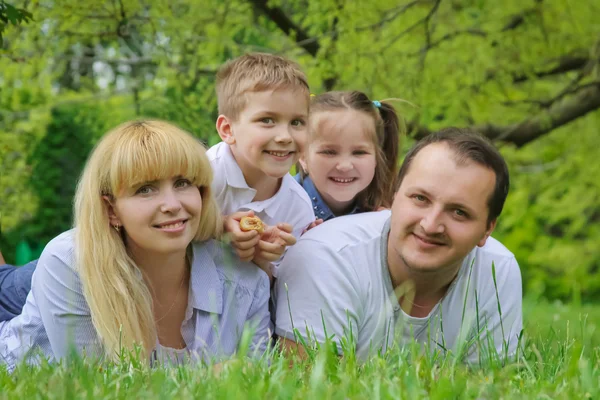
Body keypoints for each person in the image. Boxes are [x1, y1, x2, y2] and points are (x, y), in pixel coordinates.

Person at [0, 120, 271, 372]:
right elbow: (92, 384)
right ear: (111, 209)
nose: (173, 205)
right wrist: (213, 378)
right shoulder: (69, 261)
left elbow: (260, 382)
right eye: (145, 189)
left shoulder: (245, 283)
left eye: (183, 183)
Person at [275, 128, 523, 363]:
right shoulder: (326, 256)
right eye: (420, 198)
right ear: (394, 195)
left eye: (459, 212)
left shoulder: (497, 269)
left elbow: (489, 386)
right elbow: (310, 380)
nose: (430, 224)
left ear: (488, 229)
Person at [208, 53, 315, 279]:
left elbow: (283, 292)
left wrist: (265, 258)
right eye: (267, 120)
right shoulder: (205, 176)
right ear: (228, 130)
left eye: (297, 122)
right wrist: (219, 226)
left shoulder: (297, 207)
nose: (285, 137)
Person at [296, 91, 402, 223]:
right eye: (329, 152)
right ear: (303, 156)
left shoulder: (388, 213)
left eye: (359, 153)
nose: (345, 166)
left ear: (376, 157)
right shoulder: (280, 208)